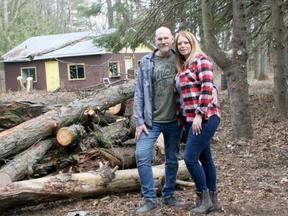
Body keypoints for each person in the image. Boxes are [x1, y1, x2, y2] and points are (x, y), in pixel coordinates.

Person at [133, 26, 185, 214]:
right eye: (159, 39)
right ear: (155, 41)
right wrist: (139, 121)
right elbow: (139, 93)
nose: (163, 42)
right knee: (141, 156)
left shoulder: (181, 59)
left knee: (172, 159)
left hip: (174, 120)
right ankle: (149, 199)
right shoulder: (146, 61)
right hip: (150, 121)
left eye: (166, 38)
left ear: (172, 39)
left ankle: (169, 195)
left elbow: (202, 74)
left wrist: (214, 88)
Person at [174, 31, 221, 214]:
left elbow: (207, 86)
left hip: (205, 117)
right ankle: (214, 202)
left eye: (186, 42)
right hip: (189, 119)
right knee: (205, 159)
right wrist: (183, 119)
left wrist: (199, 115)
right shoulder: (183, 66)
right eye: (179, 44)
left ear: (193, 43)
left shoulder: (202, 60)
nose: (183, 46)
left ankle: (204, 199)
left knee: (190, 158)